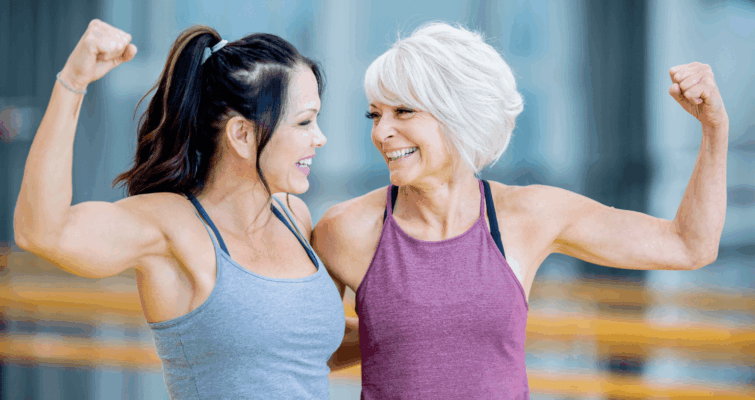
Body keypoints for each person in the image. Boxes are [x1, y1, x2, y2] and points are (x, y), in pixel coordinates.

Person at [312, 22, 728, 399]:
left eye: (403, 111)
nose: (381, 132)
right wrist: (400, 332)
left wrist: (714, 129)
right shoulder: (345, 230)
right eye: (375, 114)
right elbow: (308, 353)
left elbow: (689, 245)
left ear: (459, 114)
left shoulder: (529, 216)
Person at [14, 20, 345, 399]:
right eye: (304, 122)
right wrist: (73, 82)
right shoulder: (171, 225)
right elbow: (39, 232)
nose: (319, 138)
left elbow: (300, 355)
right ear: (241, 134)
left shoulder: (294, 216)